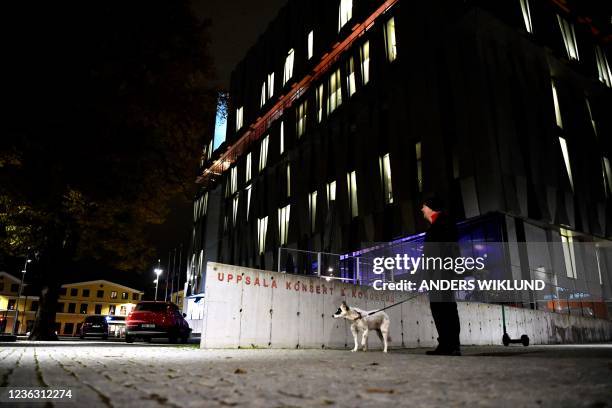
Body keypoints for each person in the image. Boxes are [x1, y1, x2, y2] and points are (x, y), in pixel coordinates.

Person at [421, 196, 462, 356]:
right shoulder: (441, 224)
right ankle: (449, 345)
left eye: (424, 206)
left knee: (443, 309)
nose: (422, 209)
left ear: (431, 208)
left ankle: (449, 345)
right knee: (446, 308)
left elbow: (446, 252)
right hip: (442, 275)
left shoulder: (442, 225)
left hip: (442, 275)